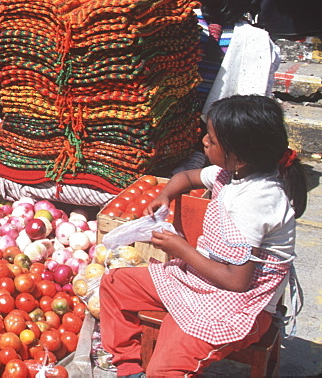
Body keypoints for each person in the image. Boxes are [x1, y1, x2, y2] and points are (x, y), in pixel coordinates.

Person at [100, 94, 304, 378]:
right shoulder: (231, 173)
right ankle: (129, 367)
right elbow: (186, 178)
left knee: (165, 370)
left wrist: (180, 248)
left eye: (211, 139)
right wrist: (164, 195)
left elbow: (237, 282)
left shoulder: (256, 200)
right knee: (115, 283)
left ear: (240, 156)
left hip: (239, 305)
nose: (204, 142)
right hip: (200, 280)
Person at [196, 0, 279, 112]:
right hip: (223, 114)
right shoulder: (256, 37)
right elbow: (271, 66)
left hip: (184, 106)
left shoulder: (187, 21)